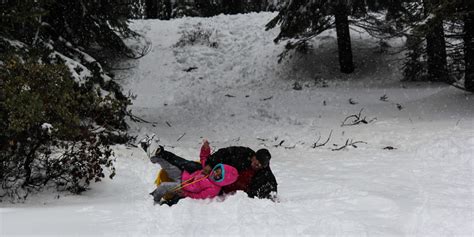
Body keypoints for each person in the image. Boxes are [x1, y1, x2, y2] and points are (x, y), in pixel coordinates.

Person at [148, 141, 238, 206]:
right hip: (183, 175)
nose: (215, 174)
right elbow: (204, 158)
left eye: (219, 176)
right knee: (169, 166)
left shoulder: (214, 189)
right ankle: (154, 155)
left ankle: (152, 200)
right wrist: (205, 149)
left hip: (182, 187)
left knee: (164, 186)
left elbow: (199, 196)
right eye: (217, 171)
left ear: (222, 181)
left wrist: (185, 194)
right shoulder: (209, 170)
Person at [201, 146, 278, 200]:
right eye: (257, 162)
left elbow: (272, 185)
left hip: (226, 192)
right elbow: (224, 153)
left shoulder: (264, 172)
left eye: (260, 165)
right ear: (254, 156)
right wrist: (210, 164)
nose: (257, 166)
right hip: (217, 177)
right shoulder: (243, 153)